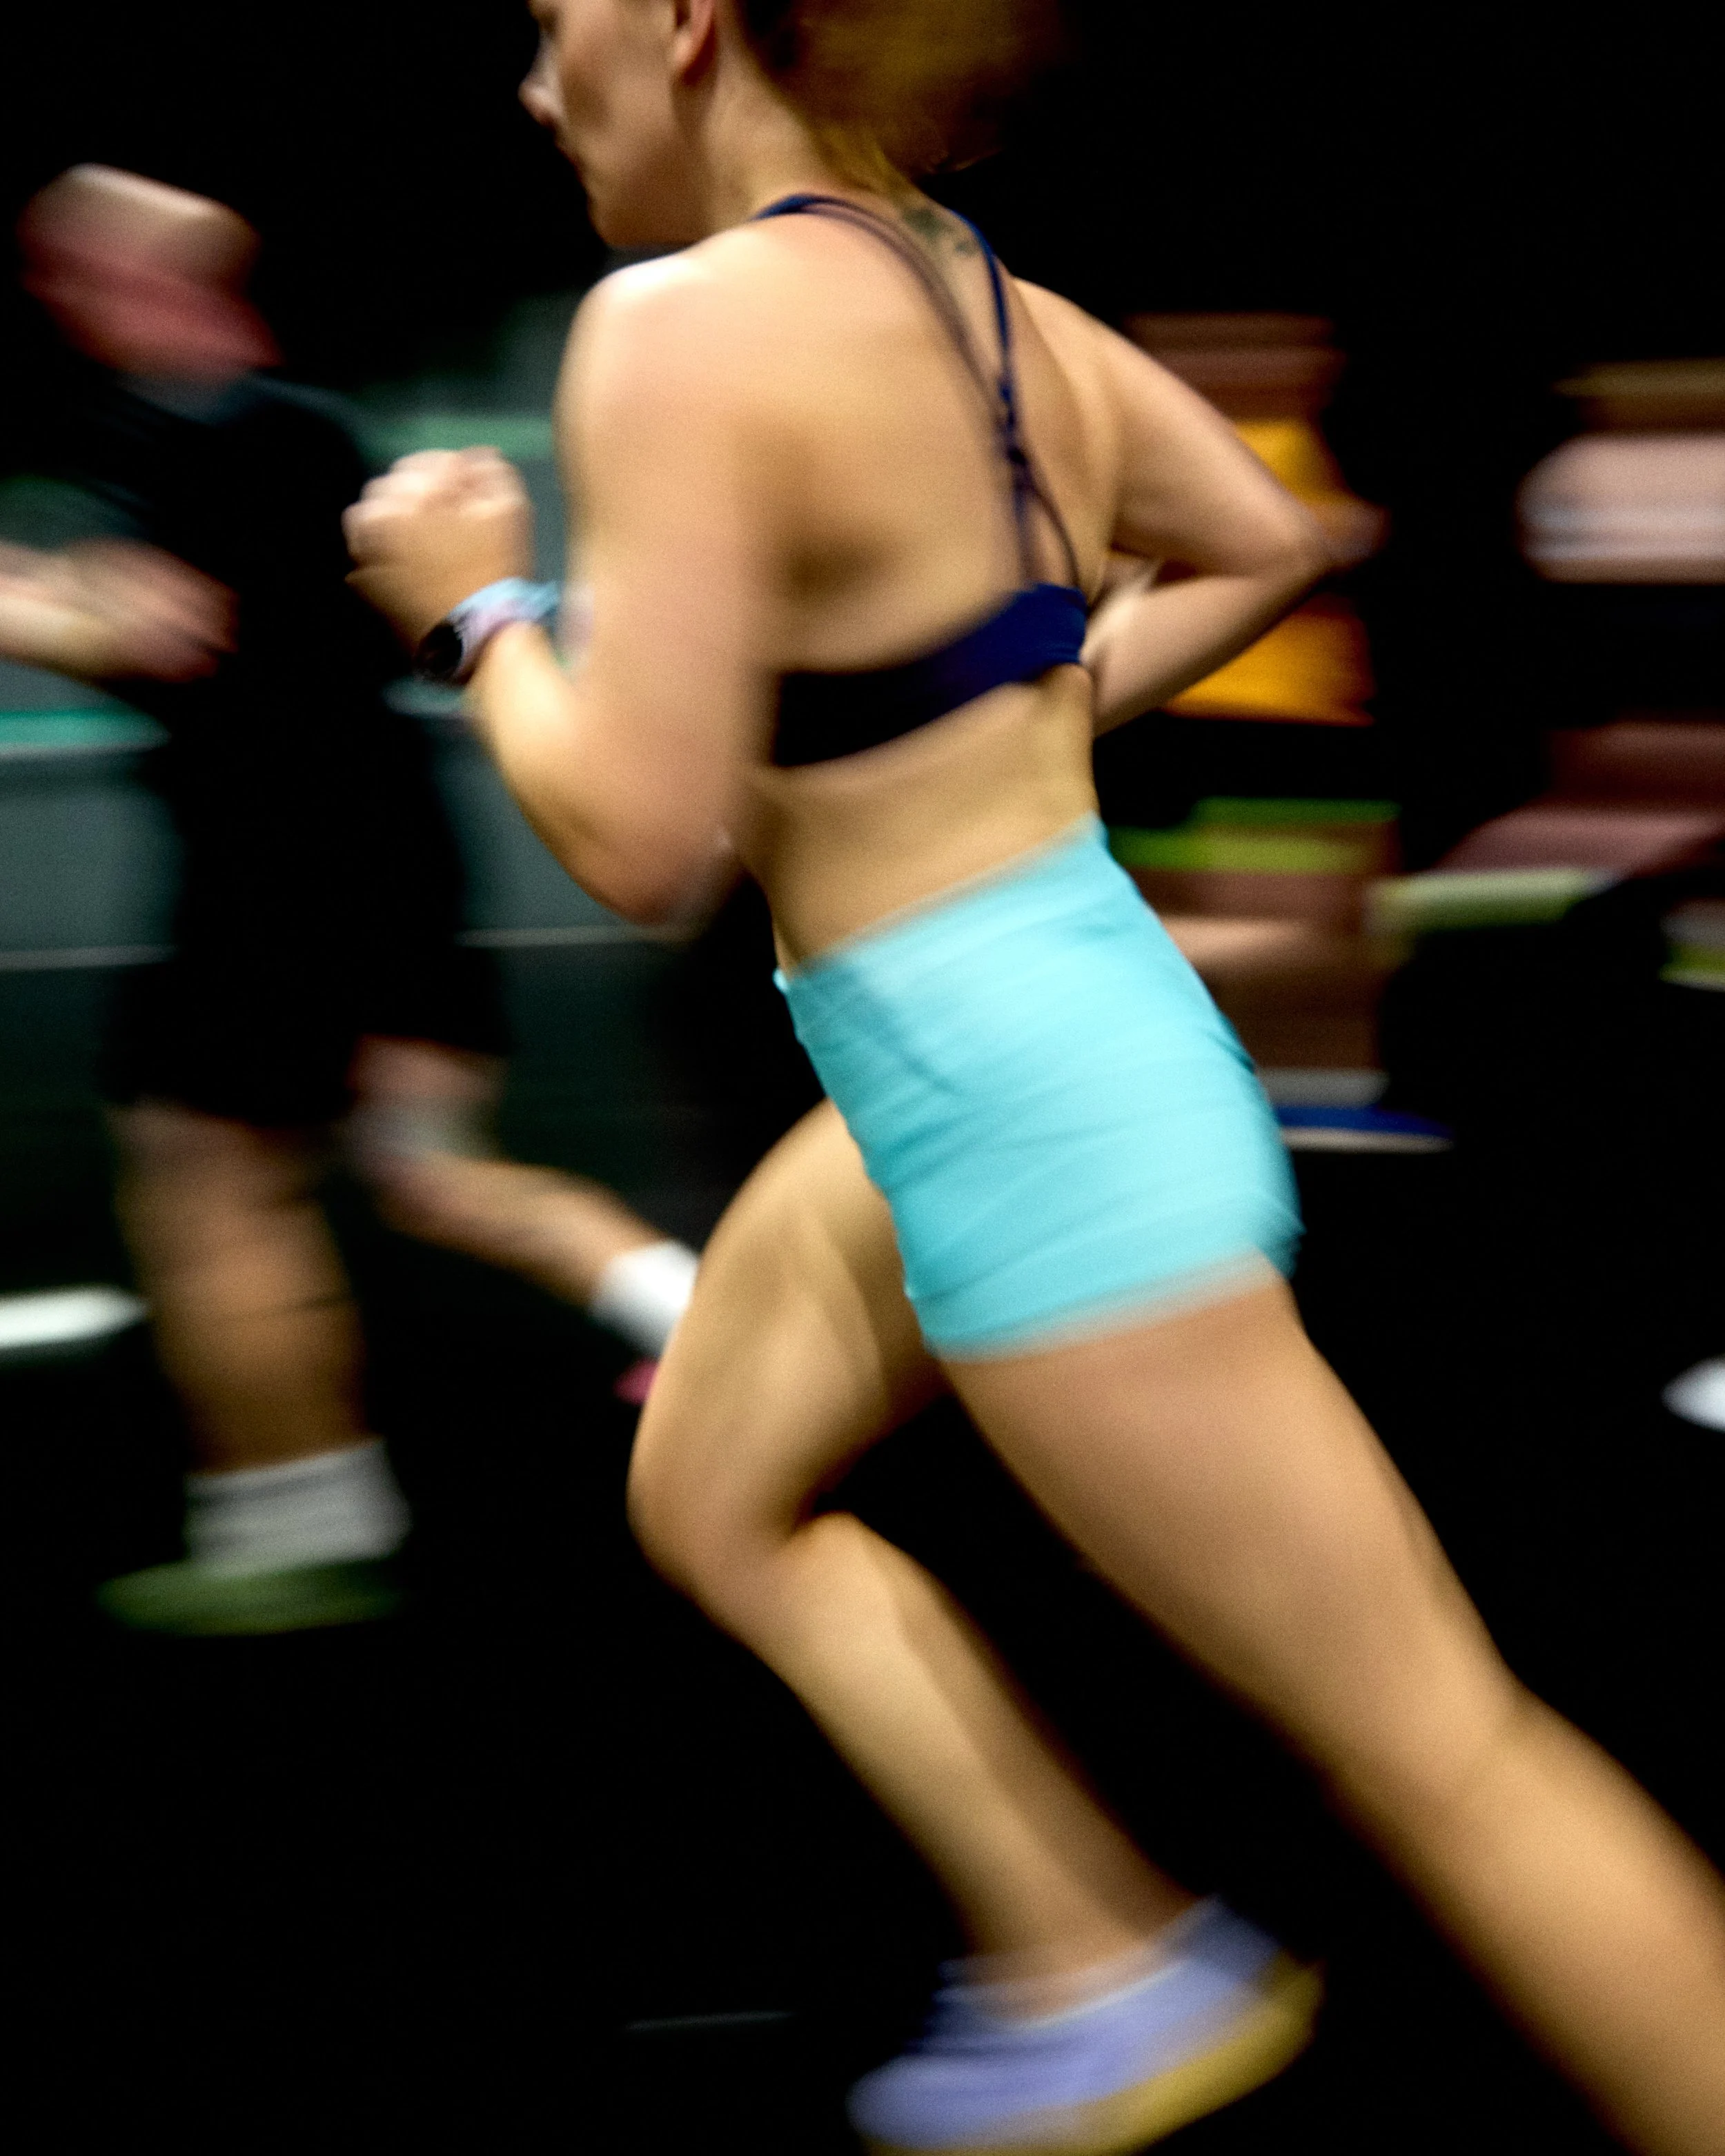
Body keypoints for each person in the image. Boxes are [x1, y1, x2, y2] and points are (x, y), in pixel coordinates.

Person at [344, 3, 1725, 2150]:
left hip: (1025, 1112)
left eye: (549, 30)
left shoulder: (676, 325)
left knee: (1440, 1744)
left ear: (685, 22)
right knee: (708, 1494)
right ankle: (1091, 1950)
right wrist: (1014, 718)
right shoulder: (984, 300)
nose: (534, 89)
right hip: (1010, 1035)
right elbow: (1260, 541)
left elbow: (635, 840)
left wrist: (474, 614)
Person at [14, 165, 698, 1634]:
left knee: (210, 1185)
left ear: (144, 281)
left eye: (76, 270)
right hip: (386, 861)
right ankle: (699, 1325)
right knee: (433, 1173)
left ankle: (290, 1525)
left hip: (273, 879)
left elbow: (158, 628)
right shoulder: (302, 430)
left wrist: (25, 600)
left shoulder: (190, 428)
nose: (58, 297)